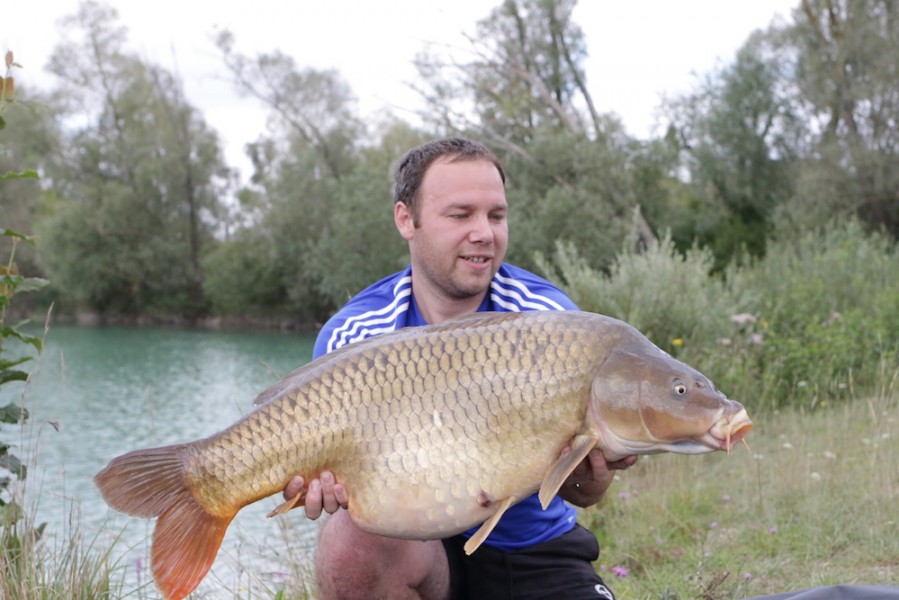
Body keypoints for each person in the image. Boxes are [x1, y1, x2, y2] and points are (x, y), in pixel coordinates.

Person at [283, 137, 637, 600]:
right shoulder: (356, 336)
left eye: (496, 215)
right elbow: (336, 489)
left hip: (534, 551)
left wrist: (592, 471)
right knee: (349, 542)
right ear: (406, 220)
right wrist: (319, 486)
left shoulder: (551, 324)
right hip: (415, 552)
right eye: (460, 214)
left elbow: (585, 493)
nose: (484, 233)